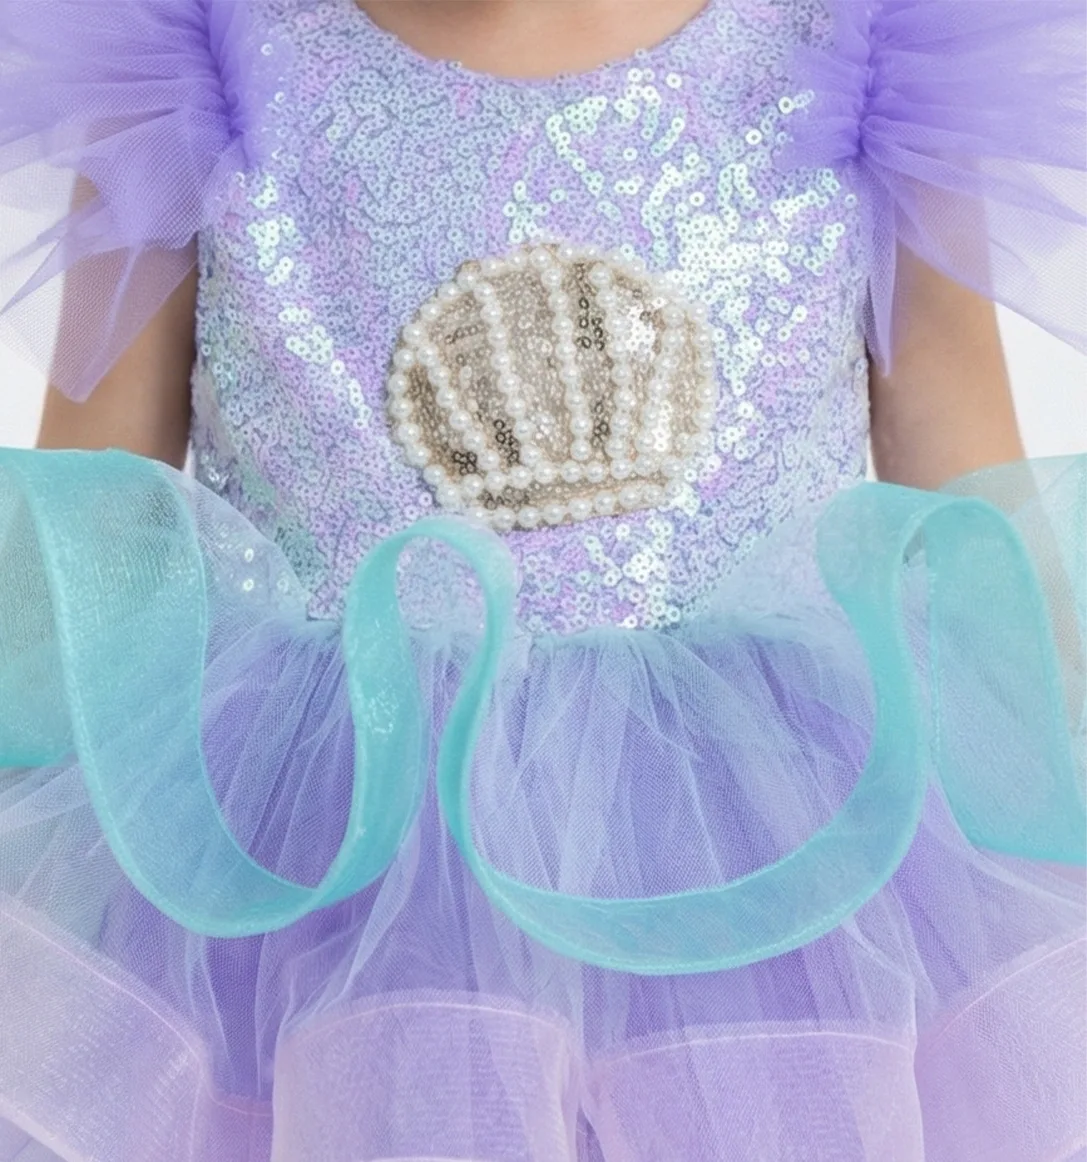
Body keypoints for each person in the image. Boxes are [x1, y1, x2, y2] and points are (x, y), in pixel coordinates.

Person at [0, 1, 1084, 1158]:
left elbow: (966, 482)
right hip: (326, 839)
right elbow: (97, 509)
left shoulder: (868, 45)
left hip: (756, 832)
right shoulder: (191, 49)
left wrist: (1053, 772)